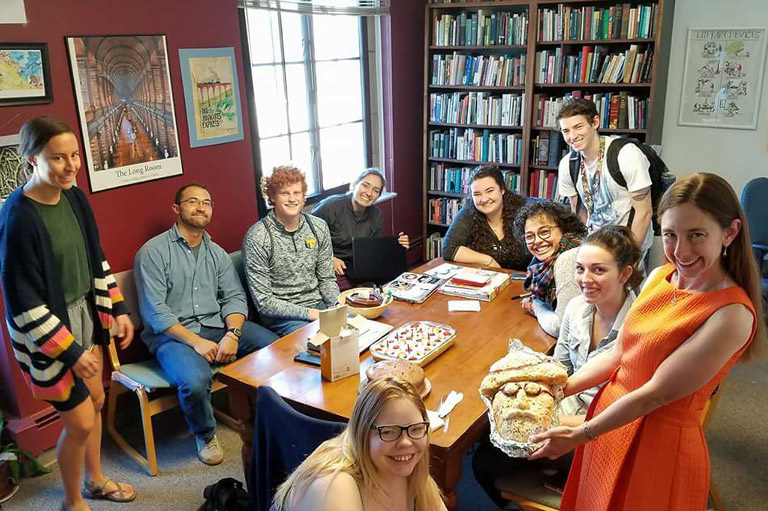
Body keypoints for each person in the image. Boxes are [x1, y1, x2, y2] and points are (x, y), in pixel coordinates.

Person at [530, 173, 767, 511]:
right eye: (670, 235)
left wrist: (583, 433)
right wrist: (558, 389)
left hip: (657, 443)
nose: (680, 251)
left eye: (696, 235)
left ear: (729, 233)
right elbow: (620, 354)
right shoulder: (660, 277)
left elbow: (659, 393)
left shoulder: (732, 314)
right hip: (610, 421)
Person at [0, 117, 136, 511]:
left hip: (87, 318)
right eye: (57, 158)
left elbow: (95, 258)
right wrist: (71, 352)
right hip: (49, 332)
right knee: (78, 423)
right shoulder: (18, 217)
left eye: (74, 155)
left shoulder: (75, 197)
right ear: (31, 159)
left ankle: (95, 480)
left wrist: (119, 307)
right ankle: (72, 501)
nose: (71, 165)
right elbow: (23, 302)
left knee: (94, 405)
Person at [134, 183, 279, 465]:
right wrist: (196, 342)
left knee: (274, 348)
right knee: (195, 380)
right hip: (172, 336)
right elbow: (156, 314)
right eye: (192, 201)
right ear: (177, 209)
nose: (201, 207)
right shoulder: (152, 253)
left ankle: (265, 414)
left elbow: (235, 298)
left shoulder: (217, 254)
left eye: (207, 202)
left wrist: (233, 335)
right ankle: (206, 433)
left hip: (215, 325)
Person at [272, 377, 447, 511]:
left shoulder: (410, 468)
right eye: (388, 432)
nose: (406, 442)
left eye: (416, 429)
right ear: (362, 433)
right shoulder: (334, 485)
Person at [555, 225, 642, 420]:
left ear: (624, 274)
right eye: (580, 268)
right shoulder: (575, 308)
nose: (585, 279)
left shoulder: (640, 326)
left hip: (603, 425)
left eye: (598, 270)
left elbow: (626, 413)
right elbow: (560, 369)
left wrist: (555, 424)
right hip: (565, 407)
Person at [243, 165, 339, 337]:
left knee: (353, 335)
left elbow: (327, 279)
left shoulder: (319, 227)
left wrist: (336, 306)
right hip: (282, 318)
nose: (292, 199)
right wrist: (310, 314)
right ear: (272, 197)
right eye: (284, 193)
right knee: (322, 342)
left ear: (304, 197)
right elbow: (264, 302)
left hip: (319, 306)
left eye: (296, 193)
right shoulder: (257, 237)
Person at [556, 98, 654, 261]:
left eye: (578, 127)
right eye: (566, 131)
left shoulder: (626, 154)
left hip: (630, 242)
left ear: (595, 122)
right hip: (595, 245)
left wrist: (630, 256)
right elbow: (578, 210)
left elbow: (644, 212)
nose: (572, 136)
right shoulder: (568, 164)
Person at [312, 168, 409, 282]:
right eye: (365, 185)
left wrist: (398, 247)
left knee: (398, 282)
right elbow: (307, 239)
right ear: (354, 185)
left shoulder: (377, 215)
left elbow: (375, 250)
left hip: (359, 267)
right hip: (332, 266)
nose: (369, 193)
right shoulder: (330, 207)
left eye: (375, 190)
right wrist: (329, 258)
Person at [514, 201, 587, 337]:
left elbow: (560, 327)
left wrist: (536, 306)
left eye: (545, 232)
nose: (537, 241)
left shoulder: (569, 258)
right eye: (530, 236)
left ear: (564, 228)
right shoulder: (545, 258)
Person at [442, 165, 529, 271]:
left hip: (522, 281)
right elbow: (449, 249)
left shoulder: (523, 211)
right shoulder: (469, 212)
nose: (484, 199)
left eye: (489, 191)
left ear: (502, 189)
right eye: (477, 194)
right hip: (488, 279)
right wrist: (487, 260)